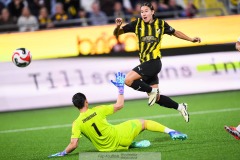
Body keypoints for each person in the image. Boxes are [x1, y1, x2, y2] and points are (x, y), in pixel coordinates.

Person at [48, 72, 187, 157]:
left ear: (76, 106)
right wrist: (121, 89)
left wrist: (63, 153)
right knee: (143, 123)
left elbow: (74, 144)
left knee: (111, 130)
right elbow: (119, 105)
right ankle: (171, 132)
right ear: (86, 102)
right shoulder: (98, 110)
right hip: (120, 138)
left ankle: (132, 144)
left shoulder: (76, 123)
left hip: (105, 150)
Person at [113, 2, 201, 123]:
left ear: (152, 12)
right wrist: (118, 26)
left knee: (128, 80)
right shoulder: (137, 24)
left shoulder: (161, 24)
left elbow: (175, 32)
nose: (143, 13)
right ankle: (180, 107)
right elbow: (117, 33)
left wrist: (191, 39)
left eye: (146, 11)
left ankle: (151, 91)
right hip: (146, 64)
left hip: (153, 62)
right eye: (142, 11)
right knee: (157, 98)